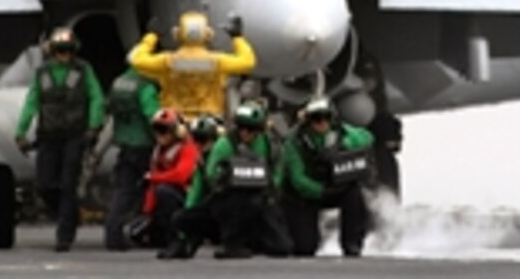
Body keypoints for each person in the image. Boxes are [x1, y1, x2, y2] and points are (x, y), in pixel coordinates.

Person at [160, 102, 291, 259]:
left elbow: (278, 170)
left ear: (260, 129)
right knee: (181, 218)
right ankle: (230, 244)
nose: (246, 132)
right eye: (242, 127)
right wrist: (226, 178)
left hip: (260, 202)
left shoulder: (271, 145)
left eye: (251, 129)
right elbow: (210, 175)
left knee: (282, 248)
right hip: (227, 201)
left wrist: (271, 188)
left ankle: (252, 241)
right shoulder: (225, 145)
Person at [14, 27, 106, 252]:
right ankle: (70, 214)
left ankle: (64, 235)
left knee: (68, 185)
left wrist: (94, 126)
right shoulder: (43, 73)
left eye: (68, 50)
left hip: (74, 136)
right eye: (60, 50)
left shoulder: (84, 71)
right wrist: (21, 132)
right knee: (45, 185)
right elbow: (32, 102)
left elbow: (96, 98)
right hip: (48, 137)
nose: (64, 54)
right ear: (52, 51)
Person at [282, 97, 374, 257]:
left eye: (326, 117)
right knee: (304, 248)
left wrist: (344, 147)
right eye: (316, 118)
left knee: (354, 193)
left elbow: (368, 138)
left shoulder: (342, 133)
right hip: (305, 195)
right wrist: (321, 191)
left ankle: (352, 243)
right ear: (308, 121)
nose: (322, 122)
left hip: (337, 186)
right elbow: (298, 179)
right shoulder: (294, 142)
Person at [128, 12, 255, 120]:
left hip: (176, 124)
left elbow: (135, 59)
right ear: (208, 34)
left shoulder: (168, 61)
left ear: (177, 34)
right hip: (209, 124)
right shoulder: (217, 62)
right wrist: (237, 37)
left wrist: (151, 36)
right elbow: (248, 62)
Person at [103, 67, 160, 250]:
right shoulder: (145, 86)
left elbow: (108, 107)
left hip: (124, 143)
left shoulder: (119, 82)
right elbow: (153, 116)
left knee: (123, 192)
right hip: (143, 144)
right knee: (148, 190)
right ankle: (146, 232)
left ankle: (113, 234)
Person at [157, 115, 223, 259]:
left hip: (229, 209)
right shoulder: (200, 162)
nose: (199, 145)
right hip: (211, 209)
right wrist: (184, 223)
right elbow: (195, 193)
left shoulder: (225, 155)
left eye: (204, 140)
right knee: (178, 213)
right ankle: (182, 243)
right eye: (196, 140)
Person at [137, 108, 198, 248]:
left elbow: (181, 176)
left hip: (190, 198)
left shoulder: (187, 149)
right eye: (157, 129)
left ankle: (176, 234)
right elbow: (152, 184)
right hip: (167, 194)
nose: (159, 134)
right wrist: (147, 214)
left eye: (164, 129)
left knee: (163, 191)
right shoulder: (157, 151)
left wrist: (154, 177)